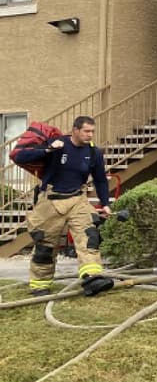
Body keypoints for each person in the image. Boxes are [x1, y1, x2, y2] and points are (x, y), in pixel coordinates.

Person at [13, 116, 114, 296]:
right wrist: (48, 149)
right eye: (86, 131)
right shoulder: (58, 143)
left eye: (92, 131)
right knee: (45, 244)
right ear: (75, 130)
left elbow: (100, 180)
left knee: (89, 236)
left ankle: (92, 278)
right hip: (50, 200)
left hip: (77, 199)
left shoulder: (94, 153)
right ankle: (40, 285)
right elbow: (20, 156)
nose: (90, 135)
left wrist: (105, 203)